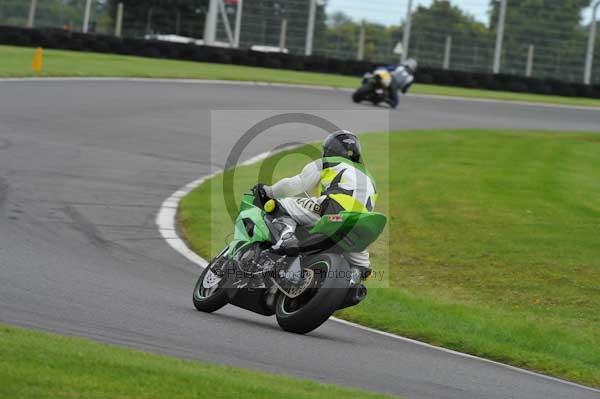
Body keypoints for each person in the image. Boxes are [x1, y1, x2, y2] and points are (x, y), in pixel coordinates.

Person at [255, 130, 377, 285]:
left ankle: (286, 239)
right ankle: (351, 284)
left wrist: (268, 191)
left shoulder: (329, 162)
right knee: (362, 268)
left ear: (329, 149)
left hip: (333, 211)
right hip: (360, 223)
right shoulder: (370, 178)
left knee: (281, 204)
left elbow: (296, 184)